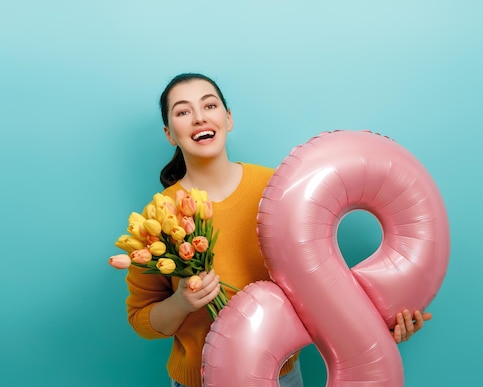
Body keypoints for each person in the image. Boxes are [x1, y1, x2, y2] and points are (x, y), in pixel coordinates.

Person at [125, 73, 432, 387]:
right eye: (183, 111)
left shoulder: (280, 190)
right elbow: (141, 319)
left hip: (279, 377)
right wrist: (182, 303)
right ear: (169, 134)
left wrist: (384, 322)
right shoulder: (160, 215)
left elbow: (321, 289)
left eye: (210, 105)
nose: (199, 118)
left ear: (228, 119)